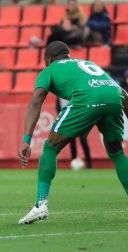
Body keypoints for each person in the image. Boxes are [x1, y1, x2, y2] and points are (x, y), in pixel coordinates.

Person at [18, 41, 128, 224]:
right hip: (114, 96)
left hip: (87, 98)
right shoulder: (87, 64)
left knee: (51, 147)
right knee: (116, 152)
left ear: (48, 58)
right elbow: (122, 92)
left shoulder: (49, 70)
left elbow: (36, 101)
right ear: (67, 54)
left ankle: (40, 205)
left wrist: (26, 139)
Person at [56, 98, 92, 168]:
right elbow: (58, 106)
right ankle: (73, 160)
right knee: (71, 141)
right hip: (68, 120)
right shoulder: (60, 95)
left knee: (83, 140)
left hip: (79, 117)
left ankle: (89, 163)